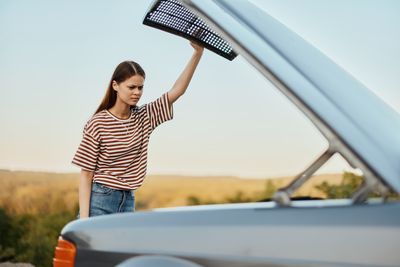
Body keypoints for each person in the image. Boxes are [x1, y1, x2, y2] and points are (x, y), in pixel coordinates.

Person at [72, 42, 204, 218]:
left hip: (128, 200)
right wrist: (84, 220)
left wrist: (197, 53)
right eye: (131, 87)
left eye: (140, 87)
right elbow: (86, 174)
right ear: (115, 86)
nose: (137, 92)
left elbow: (177, 91)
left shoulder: (144, 116)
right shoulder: (98, 123)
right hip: (100, 200)